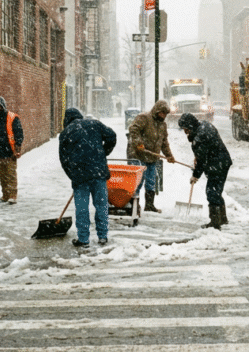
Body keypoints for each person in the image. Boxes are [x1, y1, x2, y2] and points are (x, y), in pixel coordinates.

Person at [58, 108, 116, 247]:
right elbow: (112, 136)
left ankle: (83, 239)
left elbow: (64, 159)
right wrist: (103, 153)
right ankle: (103, 236)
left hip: (80, 176)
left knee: (82, 208)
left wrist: (73, 175)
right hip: (98, 173)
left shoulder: (66, 133)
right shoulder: (94, 124)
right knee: (101, 205)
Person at [177, 112, 233, 229]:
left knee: (212, 192)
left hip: (217, 164)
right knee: (216, 191)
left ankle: (215, 223)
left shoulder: (199, 137)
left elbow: (202, 161)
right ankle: (222, 219)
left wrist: (195, 175)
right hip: (222, 161)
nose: (185, 131)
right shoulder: (204, 125)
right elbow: (204, 152)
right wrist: (198, 155)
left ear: (190, 126)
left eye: (185, 128)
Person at [127, 100, 175, 213]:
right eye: (162, 113)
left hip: (152, 157)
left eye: (165, 114)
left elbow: (164, 142)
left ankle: (149, 205)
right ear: (157, 111)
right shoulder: (144, 118)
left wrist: (169, 155)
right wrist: (138, 143)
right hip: (138, 155)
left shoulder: (162, 125)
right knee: (137, 181)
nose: (163, 115)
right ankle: (134, 205)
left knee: (151, 181)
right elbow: (133, 130)